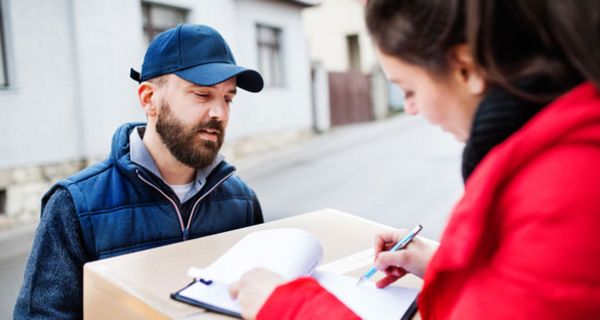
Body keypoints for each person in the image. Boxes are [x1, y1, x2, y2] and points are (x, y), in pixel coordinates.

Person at [229, 0, 600, 319]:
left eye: (409, 89)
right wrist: (444, 265)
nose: (410, 109)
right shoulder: (550, 151)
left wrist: (286, 307)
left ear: (464, 68)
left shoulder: (567, 187)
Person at [14, 24, 265, 319]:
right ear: (148, 99)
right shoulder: (75, 205)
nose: (219, 113)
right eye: (201, 94)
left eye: (227, 98)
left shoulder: (242, 202)